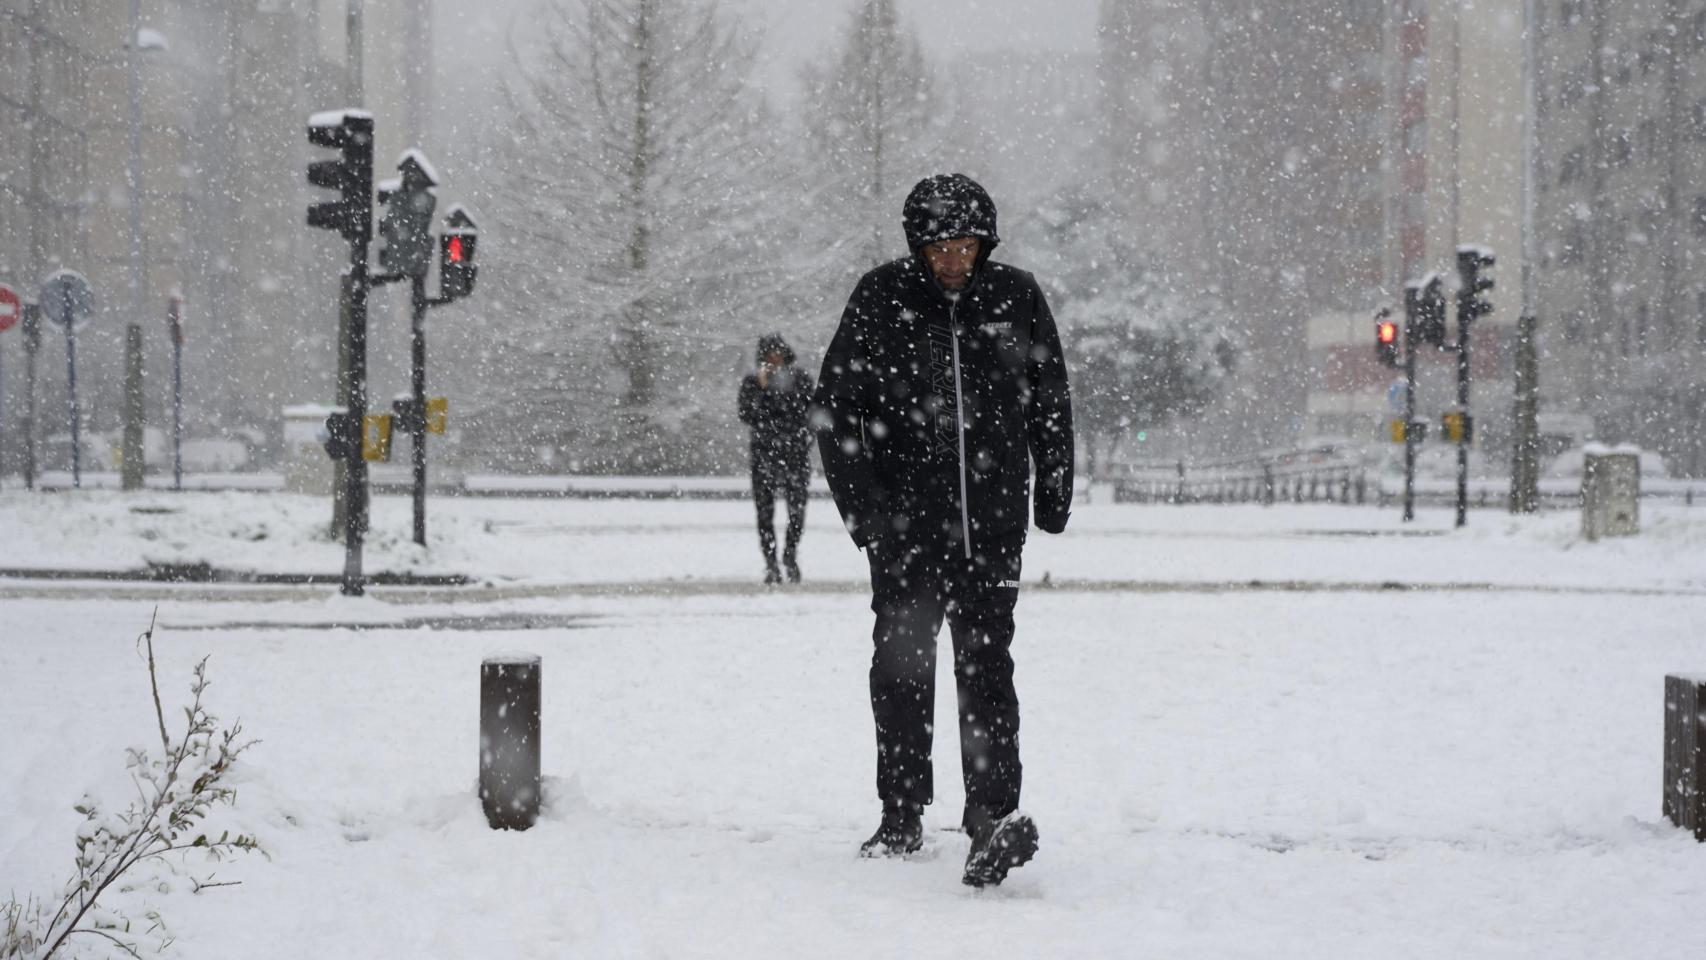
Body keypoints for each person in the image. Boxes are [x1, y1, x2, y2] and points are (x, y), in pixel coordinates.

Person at [812, 173, 1074, 887]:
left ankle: (991, 817)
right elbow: (835, 411)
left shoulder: (1015, 297)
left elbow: (1050, 397)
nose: (954, 260)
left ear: (984, 244)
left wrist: (1052, 490)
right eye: (940, 248)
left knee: (987, 672)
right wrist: (867, 514)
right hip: (905, 532)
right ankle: (901, 813)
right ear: (917, 247)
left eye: (965, 246)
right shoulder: (880, 299)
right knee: (902, 672)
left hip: (990, 529)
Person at [738, 334, 814, 585]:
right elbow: (747, 414)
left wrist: (802, 439)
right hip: (764, 456)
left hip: (794, 455)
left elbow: (808, 414)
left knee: (797, 511)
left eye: (777, 352)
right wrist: (761, 389)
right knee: (764, 513)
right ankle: (771, 563)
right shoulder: (753, 381)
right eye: (769, 353)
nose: (774, 358)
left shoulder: (800, 380)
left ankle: (790, 554)